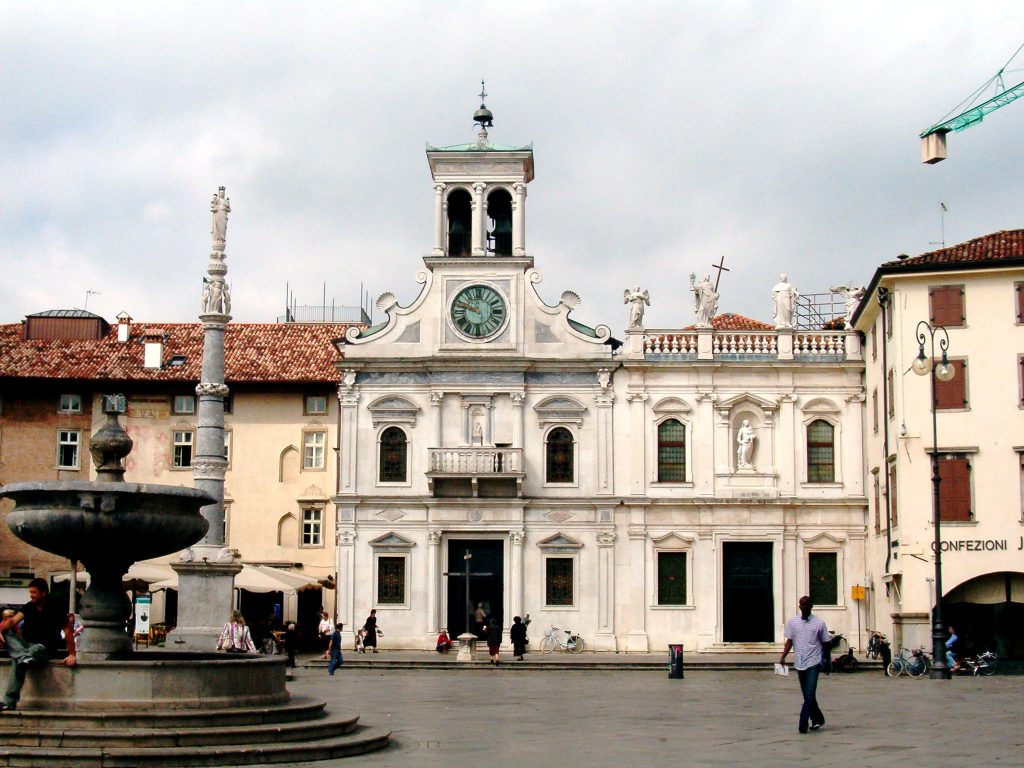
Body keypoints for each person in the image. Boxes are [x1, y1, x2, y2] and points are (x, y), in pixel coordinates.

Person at [0, 578, 77, 712]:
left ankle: (8, 701)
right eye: (30, 592)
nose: (31, 595)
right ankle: (23, 656)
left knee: (21, 658)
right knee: (7, 634)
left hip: (45, 648)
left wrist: (72, 654)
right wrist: (0, 631)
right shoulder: (29, 606)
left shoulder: (55, 606)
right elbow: (12, 621)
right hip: (27, 645)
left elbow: (67, 630)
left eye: (34, 592)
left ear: (43, 593)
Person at [780, 595, 831, 734]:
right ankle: (818, 719)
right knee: (807, 694)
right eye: (802, 605)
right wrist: (783, 656)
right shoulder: (793, 622)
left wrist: (827, 661)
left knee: (809, 692)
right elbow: (789, 641)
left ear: (811, 606)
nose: (805, 607)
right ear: (799, 606)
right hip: (799, 662)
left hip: (814, 662)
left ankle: (803, 723)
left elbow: (826, 644)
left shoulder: (819, 623)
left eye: (807, 604)